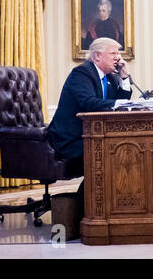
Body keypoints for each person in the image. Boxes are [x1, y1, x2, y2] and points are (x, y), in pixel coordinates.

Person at [48, 37, 133, 199]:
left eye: (118, 53)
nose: (118, 57)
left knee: (122, 150)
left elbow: (121, 102)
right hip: (70, 139)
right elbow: (89, 103)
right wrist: (120, 103)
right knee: (110, 155)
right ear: (97, 56)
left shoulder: (111, 77)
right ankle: (85, 206)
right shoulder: (82, 73)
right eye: (113, 53)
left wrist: (124, 76)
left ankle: (104, 204)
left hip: (91, 136)